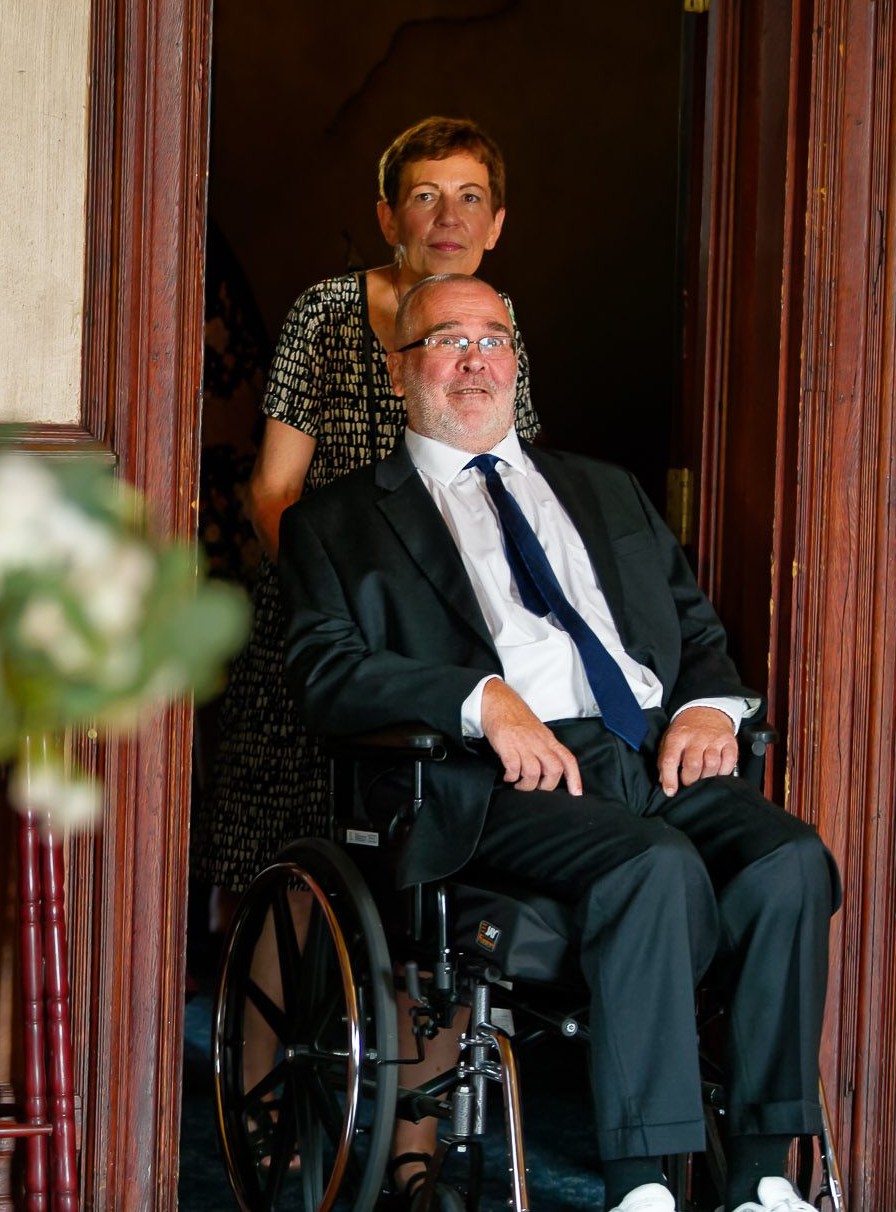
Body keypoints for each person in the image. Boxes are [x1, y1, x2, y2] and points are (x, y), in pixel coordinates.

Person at [279, 274, 840, 1212]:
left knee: (791, 860)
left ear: (516, 360)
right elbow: (326, 674)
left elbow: (697, 635)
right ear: (397, 370)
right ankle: (641, 1183)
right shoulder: (336, 522)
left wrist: (712, 709)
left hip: (651, 746)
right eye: (446, 341)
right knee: (652, 867)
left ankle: (759, 1177)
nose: (474, 361)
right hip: (496, 776)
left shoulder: (603, 487)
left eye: (492, 339)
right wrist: (480, 699)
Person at [191, 116, 538, 897]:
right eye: (426, 195)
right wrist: (345, 606)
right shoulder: (327, 314)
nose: (450, 219)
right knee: (297, 861)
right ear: (388, 217)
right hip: (325, 610)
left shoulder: (494, 321)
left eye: (470, 198)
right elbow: (273, 493)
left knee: (428, 861)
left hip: (449, 631)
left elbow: (512, 489)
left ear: (496, 224)